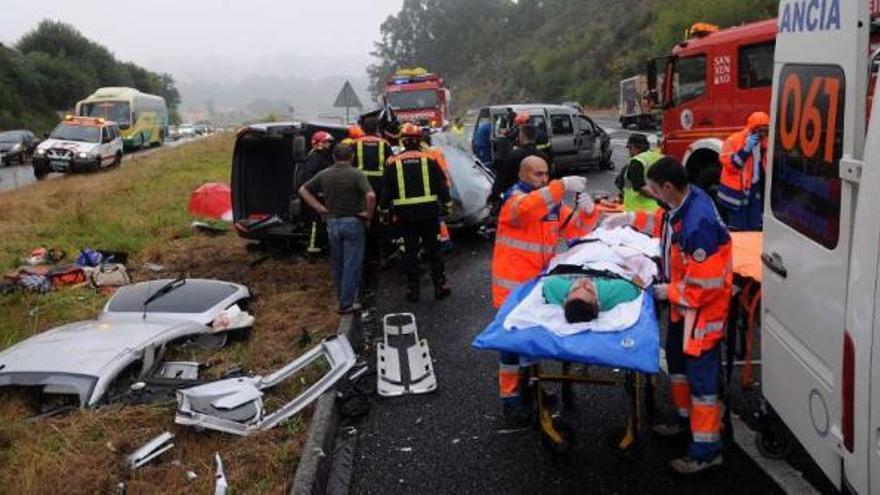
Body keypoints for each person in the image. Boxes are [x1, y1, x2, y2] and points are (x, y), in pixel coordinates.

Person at [603, 156, 732, 474]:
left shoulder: (697, 224)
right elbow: (665, 226)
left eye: (653, 187)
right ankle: (685, 421)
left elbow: (705, 287)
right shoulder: (685, 203)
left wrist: (663, 292)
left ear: (668, 187)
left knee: (702, 383)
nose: (649, 191)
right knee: (677, 364)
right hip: (684, 306)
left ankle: (706, 450)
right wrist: (630, 218)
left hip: (701, 312)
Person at [492, 155, 600, 423]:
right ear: (523, 175)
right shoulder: (514, 200)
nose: (543, 179)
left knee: (530, 340)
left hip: (535, 283)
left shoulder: (549, 202)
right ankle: (510, 399)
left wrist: (588, 212)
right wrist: (561, 185)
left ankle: (530, 388)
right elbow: (529, 209)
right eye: (537, 175)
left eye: (546, 174)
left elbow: (576, 231)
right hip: (511, 285)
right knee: (511, 345)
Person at [299, 143, 376, 314]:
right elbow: (370, 195)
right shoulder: (357, 174)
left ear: (334, 157)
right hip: (353, 222)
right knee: (352, 264)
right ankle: (346, 304)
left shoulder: (324, 174)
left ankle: (342, 297)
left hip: (332, 223)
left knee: (338, 264)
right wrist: (368, 215)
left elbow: (303, 189)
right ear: (352, 157)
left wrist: (319, 207)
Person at [381, 123, 453, 302]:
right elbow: (441, 184)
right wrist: (448, 204)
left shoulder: (392, 162)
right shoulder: (429, 159)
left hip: (404, 215)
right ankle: (440, 286)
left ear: (402, 141)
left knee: (410, 252)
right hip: (429, 212)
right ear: (419, 140)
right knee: (434, 250)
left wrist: (383, 210)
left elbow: (387, 190)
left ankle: (413, 290)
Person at [353, 116, 393, 307]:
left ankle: (363, 257)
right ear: (377, 128)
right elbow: (391, 166)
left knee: (361, 221)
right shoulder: (384, 144)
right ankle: (378, 257)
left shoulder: (354, 144)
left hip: (360, 188)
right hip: (379, 188)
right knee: (378, 221)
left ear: (362, 128)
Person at [718, 112, 769, 231]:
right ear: (752, 129)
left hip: (754, 190)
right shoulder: (734, 140)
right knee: (739, 230)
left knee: (755, 228)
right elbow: (732, 165)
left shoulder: (764, 143)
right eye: (760, 130)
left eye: (766, 130)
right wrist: (745, 150)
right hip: (736, 193)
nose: (763, 134)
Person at [487, 123, 551, 213]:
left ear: (522, 136)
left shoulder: (513, 156)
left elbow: (502, 179)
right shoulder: (543, 157)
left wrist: (494, 196)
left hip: (517, 204)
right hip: (538, 201)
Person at [296, 131, 336, 254]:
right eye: (326, 142)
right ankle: (313, 248)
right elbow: (309, 179)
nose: (329, 145)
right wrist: (318, 192)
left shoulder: (321, 156)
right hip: (315, 196)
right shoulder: (314, 157)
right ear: (318, 143)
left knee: (321, 221)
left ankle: (320, 245)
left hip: (320, 195)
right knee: (316, 221)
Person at [542, 274, 641, 323]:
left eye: (575, 288)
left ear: (564, 300)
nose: (583, 281)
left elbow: (548, 284)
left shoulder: (554, 287)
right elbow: (637, 285)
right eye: (589, 290)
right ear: (598, 303)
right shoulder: (617, 291)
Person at [420, 127, 454, 251]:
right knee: (438, 215)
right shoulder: (435, 151)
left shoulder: (428, 153)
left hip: (434, 187)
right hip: (441, 185)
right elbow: (444, 169)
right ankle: (444, 241)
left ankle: (442, 242)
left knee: (436, 216)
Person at [617, 133, 662, 212]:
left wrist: (657, 198)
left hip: (638, 211)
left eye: (629, 148)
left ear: (634, 147)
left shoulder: (637, 161)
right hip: (658, 209)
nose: (629, 151)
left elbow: (640, 187)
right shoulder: (657, 156)